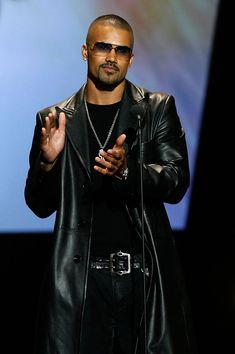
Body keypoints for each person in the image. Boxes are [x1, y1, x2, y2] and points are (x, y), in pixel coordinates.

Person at [25, 14, 196, 354]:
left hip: (143, 278)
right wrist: (47, 163)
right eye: (104, 47)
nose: (112, 57)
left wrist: (127, 171)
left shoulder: (157, 109)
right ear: (86, 51)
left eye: (121, 50)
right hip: (81, 282)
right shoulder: (54, 119)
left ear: (131, 59)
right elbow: (39, 205)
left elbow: (176, 182)